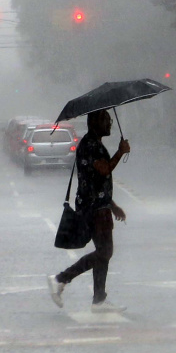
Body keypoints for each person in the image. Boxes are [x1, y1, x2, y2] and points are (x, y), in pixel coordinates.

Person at [48, 109, 131, 313]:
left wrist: (112, 205)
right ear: (94, 122)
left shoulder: (94, 143)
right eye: (106, 120)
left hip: (98, 206)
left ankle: (99, 300)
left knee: (104, 252)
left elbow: (97, 181)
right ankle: (61, 279)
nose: (110, 124)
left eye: (110, 120)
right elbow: (104, 170)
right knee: (105, 251)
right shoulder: (90, 145)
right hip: (94, 209)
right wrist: (120, 152)